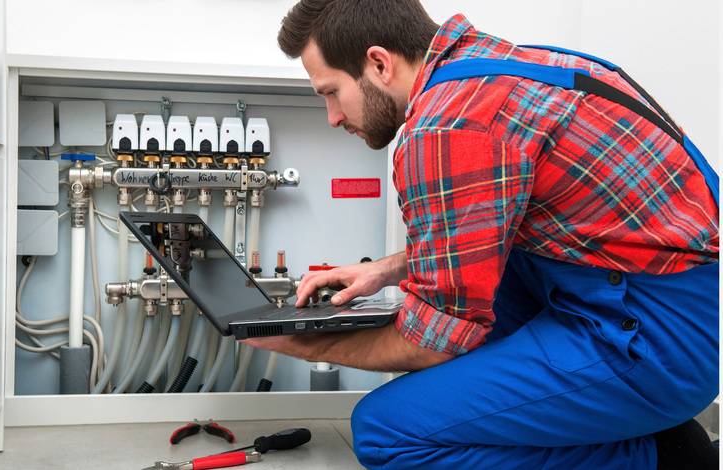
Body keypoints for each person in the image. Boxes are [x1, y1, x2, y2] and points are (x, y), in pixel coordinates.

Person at [244, 1, 720, 468]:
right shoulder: (504, 67)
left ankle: (659, 455)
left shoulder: (444, 127)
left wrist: (302, 342)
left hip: (658, 339)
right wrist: (381, 272)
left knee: (386, 432)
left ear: (378, 63)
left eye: (330, 92)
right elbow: (485, 226)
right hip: (670, 300)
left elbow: (433, 342)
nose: (332, 116)